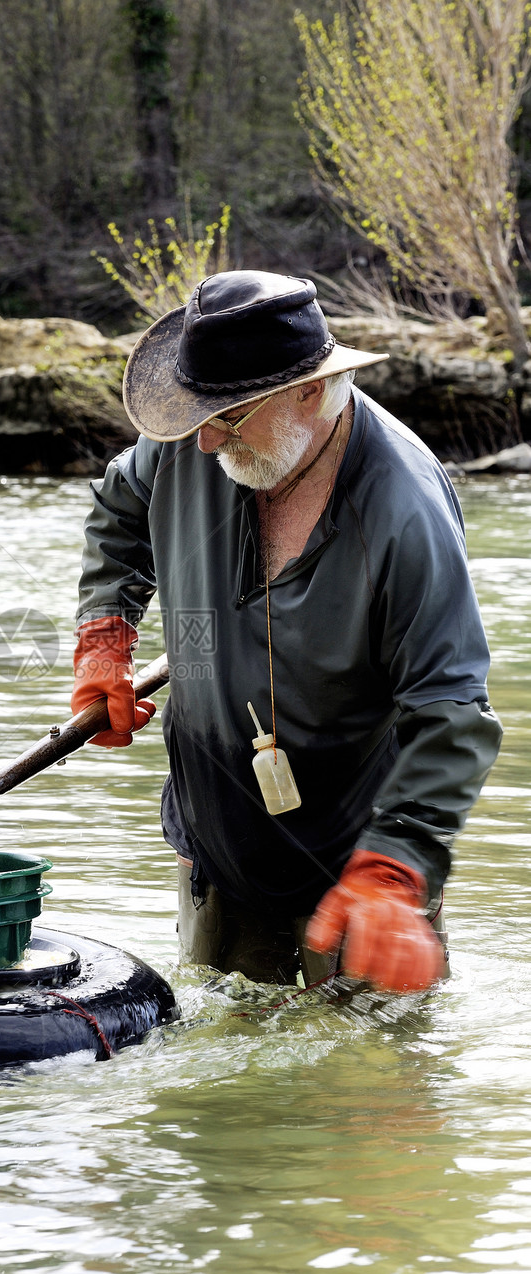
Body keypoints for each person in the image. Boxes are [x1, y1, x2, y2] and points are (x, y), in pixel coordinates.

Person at [71, 270, 502, 993]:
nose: (202, 444)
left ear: (311, 389)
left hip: (360, 869)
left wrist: (395, 867)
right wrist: (104, 639)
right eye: (193, 416)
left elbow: (452, 711)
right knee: (228, 1081)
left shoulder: (404, 510)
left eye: (228, 419)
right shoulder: (193, 432)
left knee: (371, 1078)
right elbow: (119, 510)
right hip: (215, 843)